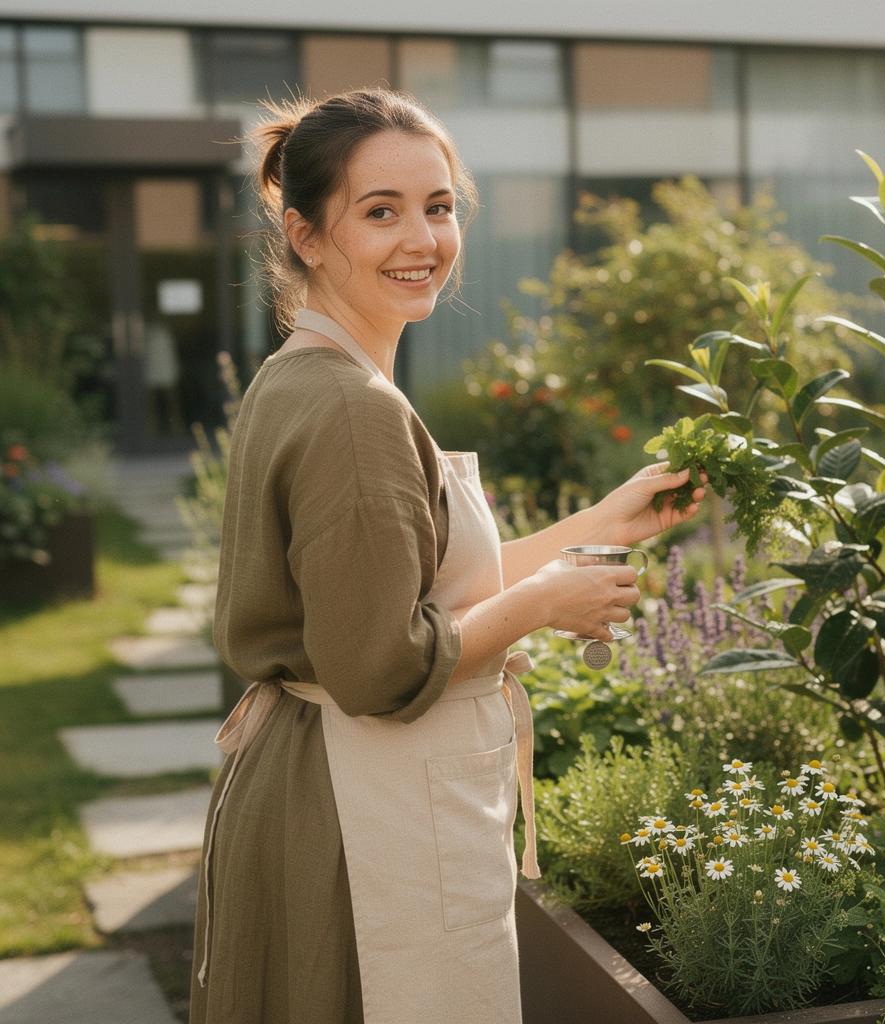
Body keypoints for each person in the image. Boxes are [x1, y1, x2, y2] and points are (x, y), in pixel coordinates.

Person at [188, 87, 707, 1024]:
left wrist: (605, 522)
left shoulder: (306, 374)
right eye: (380, 212)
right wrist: (548, 602)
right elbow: (378, 663)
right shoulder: (354, 411)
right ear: (306, 236)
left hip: (323, 789)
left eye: (438, 206)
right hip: (363, 818)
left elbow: (424, 589)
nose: (423, 238)